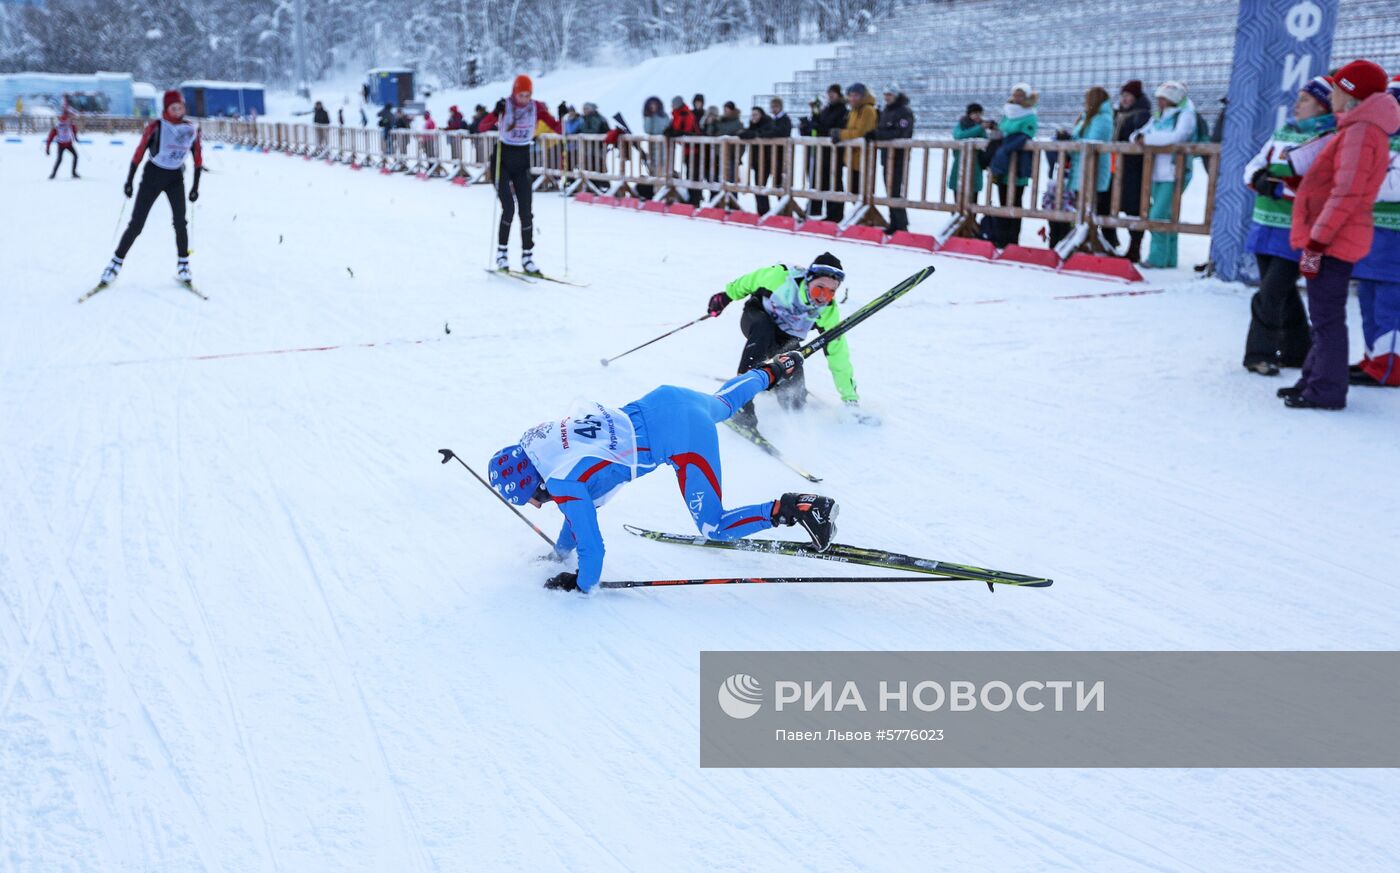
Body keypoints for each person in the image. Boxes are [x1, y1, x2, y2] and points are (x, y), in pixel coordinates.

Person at [488, 358, 836, 593]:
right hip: (668, 400)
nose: (535, 505)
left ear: (530, 481)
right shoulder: (547, 446)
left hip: (684, 437)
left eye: (529, 498)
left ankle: (798, 508)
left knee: (715, 527)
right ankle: (774, 369)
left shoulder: (562, 482)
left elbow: (592, 545)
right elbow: (577, 515)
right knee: (724, 404)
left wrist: (581, 584)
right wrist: (559, 554)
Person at [1280, 60, 1400, 409]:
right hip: (1334, 234)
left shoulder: (1362, 132)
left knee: (1327, 318)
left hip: (1334, 239)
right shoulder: (1356, 128)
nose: (1330, 96)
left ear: (1349, 96)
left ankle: (1326, 390)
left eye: (1336, 89)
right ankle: (1313, 380)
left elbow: (1347, 193)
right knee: (1323, 315)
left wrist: (1316, 243)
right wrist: (1302, 181)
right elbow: (1340, 181)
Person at [1239, 75, 1336, 376]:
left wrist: (1281, 188)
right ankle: (1298, 350)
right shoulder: (1284, 131)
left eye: (1306, 99)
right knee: (1284, 292)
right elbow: (1254, 165)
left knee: (1270, 293)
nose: (1297, 104)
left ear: (1322, 107)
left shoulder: (1329, 138)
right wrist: (1258, 180)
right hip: (1265, 224)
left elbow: (1320, 186)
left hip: (1298, 231)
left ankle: (1259, 353)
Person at [706, 253, 867, 428]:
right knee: (763, 329)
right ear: (808, 279)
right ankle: (740, 402)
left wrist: (850, 399)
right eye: (819, 288)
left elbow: (838, 354)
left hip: (784, 339)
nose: (822, 296)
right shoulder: (780, 278)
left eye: (831, 292)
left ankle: (773, 382)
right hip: (756, 320)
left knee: (794, 403)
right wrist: (725, 297)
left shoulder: (827, 311)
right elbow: (747, 282)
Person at [97, 90, 203, 288]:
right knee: (137, 224)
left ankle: (183, 264)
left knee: (180, 222)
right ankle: (115, 263)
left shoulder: (190, 129)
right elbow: (139, 153)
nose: (178, 111)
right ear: (167, 108)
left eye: (180, 107)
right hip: (152, 176)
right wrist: (129, 180)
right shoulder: (156, 127)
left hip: (175, 178)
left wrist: (195, 186)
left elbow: (198, 159)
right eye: (174, 107)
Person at [481, 75, 561, 274]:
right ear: (514, 92)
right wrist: (495, 112)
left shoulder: (537, 108)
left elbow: (559, 128)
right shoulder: (505, 105)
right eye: (521, 95)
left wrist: (563, 116)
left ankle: (527, 257)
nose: (524, 99)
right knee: (508, 208)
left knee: (526, 211)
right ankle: (501, 254)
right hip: (502, 160)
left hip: (523, 160)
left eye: (528, 95)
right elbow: (481, 127)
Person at [1350, 77, 1400, 388]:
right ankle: (1373, 358)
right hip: (1371, 233)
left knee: (1390, 304)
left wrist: (1362, 182)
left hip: (1395, 239)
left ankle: (1391, 366)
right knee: (1367, 299)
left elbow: (1394, 187)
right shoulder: (1379, 136)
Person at [1129, 81, 1197, 268]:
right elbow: (1139, 133)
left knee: (1157, 215)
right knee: (1167, 215)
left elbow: (1177, 137)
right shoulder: (1159, 116)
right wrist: (1138, 137)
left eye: (1162, 98)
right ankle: (1169, 258)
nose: (1159, 102)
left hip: (1175, 171)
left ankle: (1157, 258)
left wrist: (1148, 140)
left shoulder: (1185, 115)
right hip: (1156, 172)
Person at [1048, 86, 1115, 249]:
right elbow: (1081, 140)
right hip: (1080, 168)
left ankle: (1086, 241)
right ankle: (1078, 240)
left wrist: (1071, 141)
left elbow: (1092, 143)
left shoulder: (1102, 119)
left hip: (1093, 169)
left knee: (1088, 208)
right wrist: (1068, 139)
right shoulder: (1088, 117)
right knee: (1079, 207)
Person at [983, 83, 1039, 248]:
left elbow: (1024, 135)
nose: (1017, 98)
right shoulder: (1008, 113)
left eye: (1020, 95)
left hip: (1018, 164)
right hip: (1004, 166)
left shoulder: (1030, 115)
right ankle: (1001, 238)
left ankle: (1012, 239)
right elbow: (1003, 130)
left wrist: (1005, 145)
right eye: (1015, 95)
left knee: (1015, 202)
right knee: (1002, 200)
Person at [1114, 80, 1153, 262]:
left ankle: (1135, 247)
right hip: (1119, 168)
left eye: (1128, 96)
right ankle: (1112, 241)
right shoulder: (1120, 115)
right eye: (1123, 96)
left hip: (1135, 170)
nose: (1125, 100)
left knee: (1134, 208)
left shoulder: (1141, 115)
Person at [831, 83, 878, 223]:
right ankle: (860, 217)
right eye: (850, 95)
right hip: (852, 157)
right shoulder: (853, 110)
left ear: (863, 96)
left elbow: (861, 133)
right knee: (853, 189)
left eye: (856, 95)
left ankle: (866, 218)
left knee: (862, 191)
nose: (852, 98)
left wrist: (841, 134)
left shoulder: (868, 110)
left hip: (863, 157)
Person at [800, 84, 848, 219]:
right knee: (818, 181)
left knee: (834, 182)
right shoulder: (826, 109)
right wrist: (809, 123)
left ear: (839, 94)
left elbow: (833, 128)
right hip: (821, 152)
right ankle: (815, 209)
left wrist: (818, 127)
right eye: (829, 93)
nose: (831, 95)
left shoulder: (842, 110)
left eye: (833, 93)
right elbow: (818, 124)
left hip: (833, 152)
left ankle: (835, 214)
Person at [872, 84, 915, 234]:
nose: (886, 97)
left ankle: (901, 224)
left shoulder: (904, 112)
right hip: (887, 156)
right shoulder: (886, 111)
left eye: (889, 94)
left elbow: (901, 132)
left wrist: (878, 135)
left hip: (898, 156)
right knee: (890, 189)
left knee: (896, 189)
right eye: (885, 94)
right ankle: (895, 222)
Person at [739, 105, 777, 214]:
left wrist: (755, 134)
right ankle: (761, 211)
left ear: (761, 114)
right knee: (758, 186)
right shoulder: (753, 125)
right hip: (756, 160)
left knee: (762, 186)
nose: (753, 117)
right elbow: (746, 133)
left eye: (756, 114)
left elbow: (766, 133)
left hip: (767, 160)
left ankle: (765, 211)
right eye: (752, 115)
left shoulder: (768, 123)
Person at [949, 102, 989, 199]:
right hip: (960, 163)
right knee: (958, 191)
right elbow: (959, 136)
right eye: (975, 113)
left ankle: (971, 214)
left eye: (979, 114)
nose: (977, 116)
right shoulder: (961, 124)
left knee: (973, 192)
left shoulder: (981, 127)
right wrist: (979, 128)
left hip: (976, 165)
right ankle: (958, 212)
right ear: (969, 114)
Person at [45, 108, 80, 179]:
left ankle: (72, 173)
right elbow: (50, 137)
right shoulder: (59, 126)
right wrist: (47, 148)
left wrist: (75, 136)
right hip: (62, 144)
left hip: (67, 144)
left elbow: (74, 129)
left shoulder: (64, 124)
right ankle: (54, 174)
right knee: (61, 159)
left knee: (73, 156)